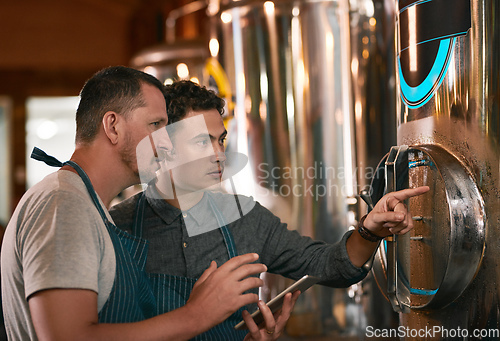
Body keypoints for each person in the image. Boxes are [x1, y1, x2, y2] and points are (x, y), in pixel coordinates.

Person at [109, 80, 430, 338]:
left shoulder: (244, 216)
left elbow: (325, 264)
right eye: (203, 142)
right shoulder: (117, 226)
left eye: (221, 141)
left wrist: (368, 230)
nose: (219, 155)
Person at [1, 66, 296, 341]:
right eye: (156, 125)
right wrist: (196, 315)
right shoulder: (64, 205)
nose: (167, 143)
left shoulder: (89, 208)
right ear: (113, 126)